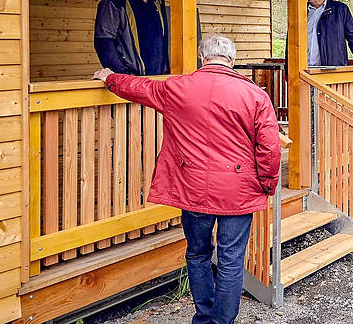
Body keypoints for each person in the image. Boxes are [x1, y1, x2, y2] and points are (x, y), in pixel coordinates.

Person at [93, 35, 280, 324]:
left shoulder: (176, 87)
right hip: (237, 190)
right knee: (231, 261)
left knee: (198, 255)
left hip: (192, 189)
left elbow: (137, 87)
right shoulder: (255, 95)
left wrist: (110, 77)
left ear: (203, 58)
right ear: (231, 61)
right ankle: (222, 322)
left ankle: (204, 317)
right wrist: (267, 184)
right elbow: (269, 146)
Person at [94, 0, 170, 76]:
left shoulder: (157, 6)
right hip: (131, 80)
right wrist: (123, 75)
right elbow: (104, 43)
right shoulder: (114, 3)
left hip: (158, 79)